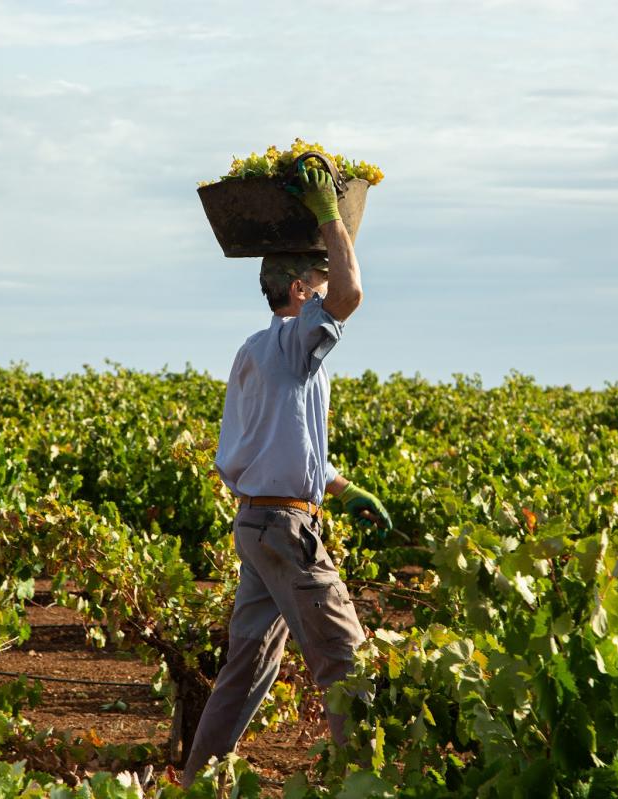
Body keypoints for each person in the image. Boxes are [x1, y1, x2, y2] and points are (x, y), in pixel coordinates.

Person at [182, 166, 392, 786]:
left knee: (246, 670)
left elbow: (274, 441)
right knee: (347, 663)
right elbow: (352, 293)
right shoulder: (301, 341)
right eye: (318, 283)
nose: (328, 292)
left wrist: (340, 486)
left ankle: (196, 783)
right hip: (284, 528)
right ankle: (361, 784)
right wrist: (329, 210)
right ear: (301, 290)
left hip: (256, 522)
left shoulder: (254, 350)